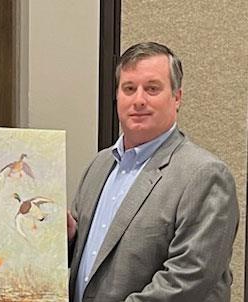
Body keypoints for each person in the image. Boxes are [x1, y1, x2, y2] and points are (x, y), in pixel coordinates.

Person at [67, 42, 238, 302]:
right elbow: (91, 259)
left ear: (177, 97)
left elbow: (187, 279)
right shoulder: (98, 166)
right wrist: (68, 239)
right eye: (129, 88)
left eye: (152, 89)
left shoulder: (205, 175)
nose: (139, 100)